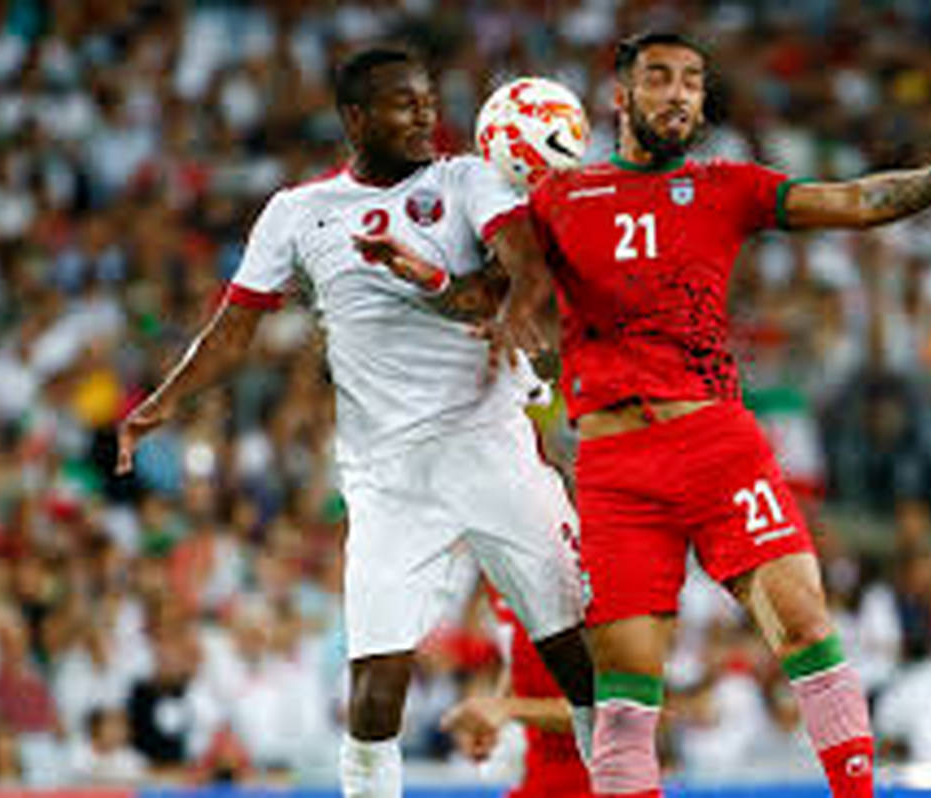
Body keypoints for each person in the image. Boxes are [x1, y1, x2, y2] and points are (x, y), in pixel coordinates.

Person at [526, 32, 931, 798]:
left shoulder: (725, 185)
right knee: (627, 696)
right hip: (613, 468)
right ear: (620, 97)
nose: (679, 94)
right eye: (659, 78)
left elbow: (855, 200)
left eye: (692, 81)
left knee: (803, 622)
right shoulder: (558, 196)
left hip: (713, 443)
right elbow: (497, 287)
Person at [114, 46, 595, 798]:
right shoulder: (296, 213)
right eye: (405, 103)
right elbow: (234, 330)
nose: (425, 116)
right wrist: (163, 402)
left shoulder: (467, 178)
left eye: (429, 100)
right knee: (375, 683)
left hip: (490, 443)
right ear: (355, 118)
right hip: (386, 473)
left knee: (573, 651)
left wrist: (513, 314)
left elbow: (524, 265)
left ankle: (624, 783)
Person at [442, 587, 593, 798]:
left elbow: (609, 711)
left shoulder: (585, 581)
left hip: (600, 779)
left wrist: (508, 708)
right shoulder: (501, 580)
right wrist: (490, 717)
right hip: (539, 773)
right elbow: (517, 660)